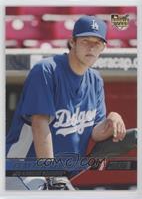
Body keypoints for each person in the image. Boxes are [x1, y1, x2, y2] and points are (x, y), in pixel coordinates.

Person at [6, 15, 126, 190]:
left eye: (97, 43)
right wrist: (52, 175)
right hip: (22, 169)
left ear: (104, 47)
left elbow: (95, 131)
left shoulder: (95, 80)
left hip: (56, 176)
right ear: (72, 42)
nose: (91, 47)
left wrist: (113, 118)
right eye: (86, 41)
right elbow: (39, 125)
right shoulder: (47, 70)